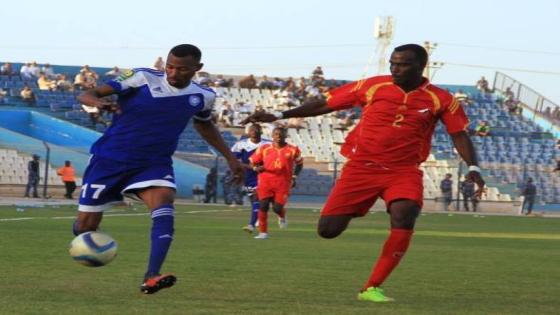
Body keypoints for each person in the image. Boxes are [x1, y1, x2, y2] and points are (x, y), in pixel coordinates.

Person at [242, 44, 485, 302]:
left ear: (420, 67)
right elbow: (326, 104)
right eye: (393, 63)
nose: (395, 68)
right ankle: (360, 204)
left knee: (405, 215)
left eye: (402, 64)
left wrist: (473, 167)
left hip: (403, 170)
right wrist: (279, 114)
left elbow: (459, 134)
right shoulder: (372, 86)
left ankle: (371, 287)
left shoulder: (442, 99)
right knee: (328, 230)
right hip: (361, 168)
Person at [72, 44, 244, 295]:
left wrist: (231, 158)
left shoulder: (203, 96)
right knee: (85, 227)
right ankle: (85, 239)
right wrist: (100, 103)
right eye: (170, 66)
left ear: (198, 69)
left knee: (164, 205)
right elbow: (87, 94)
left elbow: (205, 126)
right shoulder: (141, 77)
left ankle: (152, 276)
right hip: (109, 160)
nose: (173, 73)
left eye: (182, 69)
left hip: (153, 163)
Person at [249, 126, 303, 239]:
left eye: (281, 134)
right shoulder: (264, 148)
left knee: (277, 208)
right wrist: (255, 168)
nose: (278, 136)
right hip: (265, 181)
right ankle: (263, 233)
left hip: (283, 183)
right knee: (263, 206)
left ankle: (282, 216)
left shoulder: (293, 150)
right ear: (272, 136)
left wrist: (294, 176)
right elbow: (252, 162)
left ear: (285, 136)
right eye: (276, 134)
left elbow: (299, 164)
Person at [231, 123, 271, 233]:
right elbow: (235, 161)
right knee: (256, 200)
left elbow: (274, 159)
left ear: (261, 132)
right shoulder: (240, 145)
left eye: (256, 129)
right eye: (252, 129)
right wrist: (251, 168)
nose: (254, 131)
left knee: (256, 197)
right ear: (248, 132)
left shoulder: (268, 144)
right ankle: (259, 217)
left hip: (265, 175)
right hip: (249, 176)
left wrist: (264, 167)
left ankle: (251, 224)